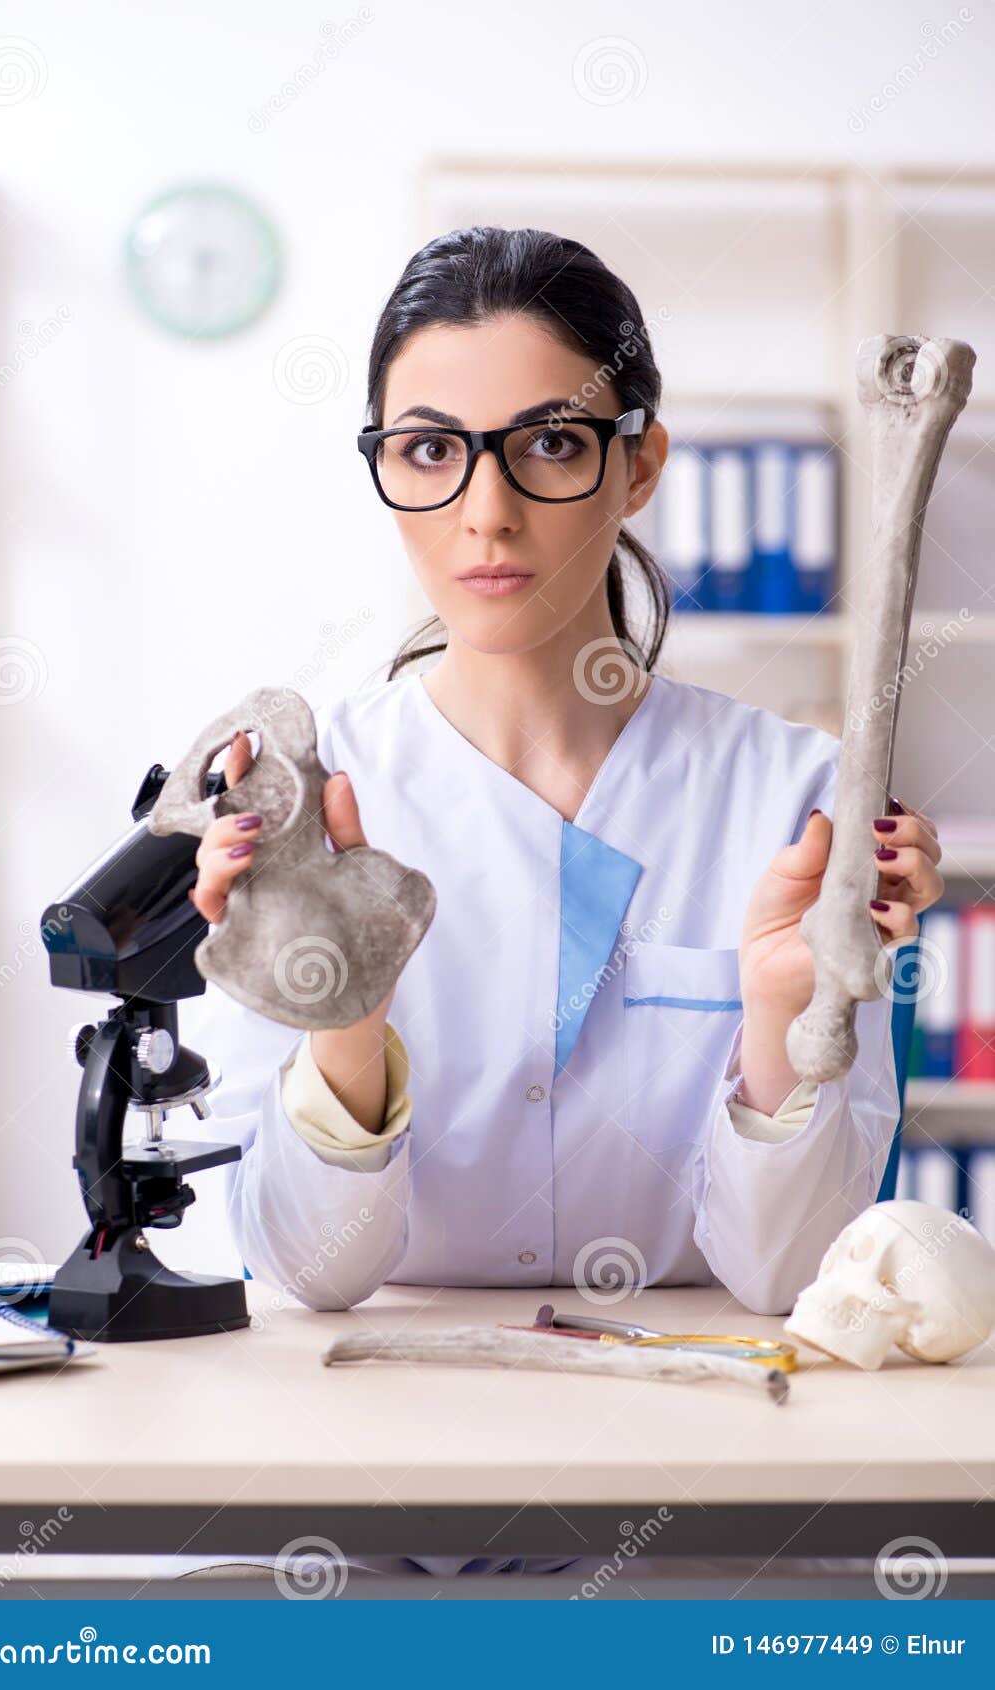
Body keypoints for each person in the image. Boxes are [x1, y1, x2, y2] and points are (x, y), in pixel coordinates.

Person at [183, 225, 944, 1580]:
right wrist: (345, 1023)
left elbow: (787, 1277)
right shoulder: (307, 795)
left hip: (701, 1469)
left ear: (641, 462)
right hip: (366, 1456)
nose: (486, 512)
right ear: (385, 469)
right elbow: (312, 1270)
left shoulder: (794, 796)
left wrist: (778, 1017)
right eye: (429, 449)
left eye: (547, 442)